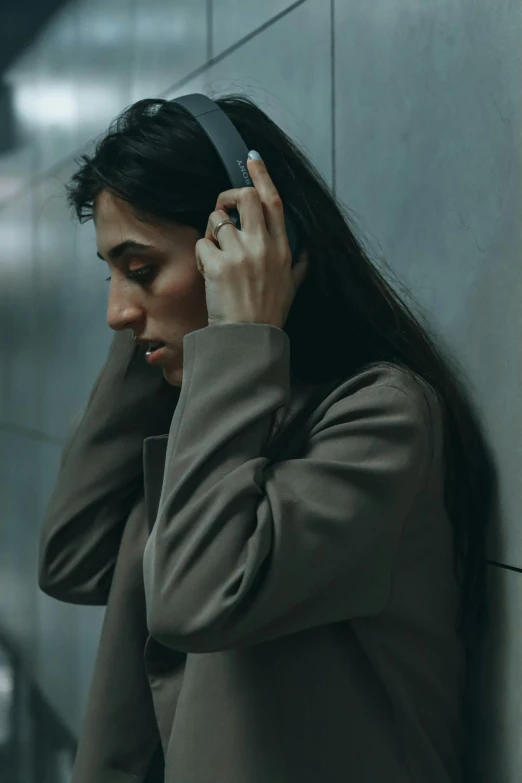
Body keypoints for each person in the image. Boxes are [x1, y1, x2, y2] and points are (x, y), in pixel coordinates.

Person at [38, 94, 495, 783]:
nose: (116, 312)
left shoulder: (379, 419)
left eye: (138, 270)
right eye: (112, 273)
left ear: (239, 248)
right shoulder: (204, 425)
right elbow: (74, 556)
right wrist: (164, 334)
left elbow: (198, 595)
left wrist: (236, 338)